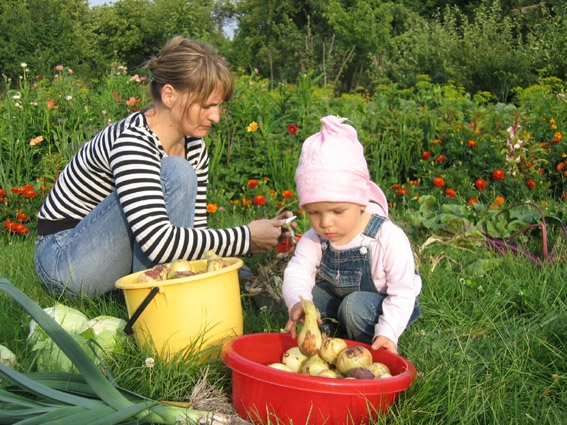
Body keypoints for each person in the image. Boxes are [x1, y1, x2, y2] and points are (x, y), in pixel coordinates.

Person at [34, 36, 290, 298]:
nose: (215, 116)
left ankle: (163, 295)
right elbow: (158, 242)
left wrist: (230, 261)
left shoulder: (194, 145)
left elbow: (194, 232)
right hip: (64, 258)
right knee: (175, 171)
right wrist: (246, 238)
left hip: (112, 255)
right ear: (169, 95)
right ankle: (152, 303)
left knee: (238, 275)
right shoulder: (132, 140)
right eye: (206, 106)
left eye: (219, 106)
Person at [282, 115, 421, 354]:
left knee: (353, 308)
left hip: (380, 306)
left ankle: (366, 346)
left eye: (337, 211)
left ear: (360, 202)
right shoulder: (314, 239)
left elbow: (402, 291)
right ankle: (325, 344)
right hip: (341, 301)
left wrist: (388, 331)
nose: (325, 223)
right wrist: (299, 301)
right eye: (314, 213)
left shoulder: (387, 237)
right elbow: (298, 270)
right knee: (312, 297)